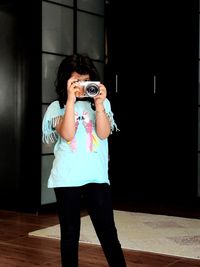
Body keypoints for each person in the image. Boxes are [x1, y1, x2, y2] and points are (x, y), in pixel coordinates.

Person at [42, 53, 127, 267]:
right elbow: (68, 134)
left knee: (108, 232)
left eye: (85, 81)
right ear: (66, 81)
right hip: (67, 177)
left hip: (96, 176)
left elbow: (103, 133)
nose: (81, 86)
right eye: (75, 82)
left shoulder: (102, 103)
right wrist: (70, 101)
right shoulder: (56, 107)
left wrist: (99, 104)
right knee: (70, 235)